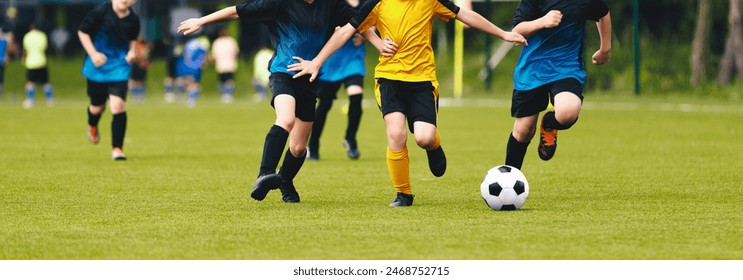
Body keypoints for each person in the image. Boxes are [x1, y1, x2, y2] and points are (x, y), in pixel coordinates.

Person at [288, 0, 527, 207]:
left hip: (422, 80)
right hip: (389, 79)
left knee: (424, 137)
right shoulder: (378, 3)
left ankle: (434, 147)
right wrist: (319, 61)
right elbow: (348, 28)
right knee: (396, 134)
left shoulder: (431, 1)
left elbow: (465, 15)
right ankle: (403, 193)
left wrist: (503, 34)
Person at [177, 0, 394, 203]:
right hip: (283, 72)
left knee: (299, 148)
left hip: (310, 77)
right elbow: (237, 11)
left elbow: (359, 22)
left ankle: (285, 181)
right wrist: (201, 21)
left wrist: (378, 44)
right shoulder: (280, 2)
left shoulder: (331, 4)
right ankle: (265, 174)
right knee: (286, 118)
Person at [503, 0, 611, 170]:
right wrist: (542, 21)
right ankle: (509, 177)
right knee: (524, 130)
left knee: (568, 112)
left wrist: (605, 48)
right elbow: (517, 29)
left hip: (566, 67)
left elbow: (602, 13)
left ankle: (550, 124)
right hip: (533, 69)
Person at [78, 0, 140, 160]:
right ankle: (92, 124)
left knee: (118, 105)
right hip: (97, 65)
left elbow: (133, 39)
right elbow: (82, 32)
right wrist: (93, 54)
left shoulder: (134, 20)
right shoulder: (101, 11)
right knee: (97, 107)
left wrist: (132, 52)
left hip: (119, 65)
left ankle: (117, 149)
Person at [307, 0, 368, 161]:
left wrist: (367, 35)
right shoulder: (332, 2)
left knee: (356, 96)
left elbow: (375, 19)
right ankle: (313, 146)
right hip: (332, 57)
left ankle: (350, 139)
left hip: (353, 58)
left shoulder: (365, 2)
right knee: (324, 105)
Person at [22, 22, 54, 108]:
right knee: (45, 82)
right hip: (42, 61)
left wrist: (24, 58)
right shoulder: (42, 35)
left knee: (30, 82)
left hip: (31, 62)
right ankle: (50, 100)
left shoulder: (27, 36)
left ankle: (30, 100)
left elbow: (25, 49)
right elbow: (44, 48)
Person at [175, 35, 209, 107]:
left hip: (186, 65)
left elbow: (181, 53)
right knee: (194, 82)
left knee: (188, 81)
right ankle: (192, 98)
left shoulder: (189, 43)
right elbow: (203, 55)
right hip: (196, 66)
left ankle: (190, 97)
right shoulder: (203, 43)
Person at [210, 27, 239, 103]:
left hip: (223, 64)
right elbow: (236, 52)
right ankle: (227, 95)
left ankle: (226, 94)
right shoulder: (230, 41)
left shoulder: (219, 42)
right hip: (227, 64)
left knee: (225, 80)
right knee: (227, 80)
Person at [129, 37, 151, 102]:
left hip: (142, 64)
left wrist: (146, 61)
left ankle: (141, 96)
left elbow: (147, 53)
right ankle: (135, 95)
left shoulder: (144, 43)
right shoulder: (132, 42)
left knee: (141, 81)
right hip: (134, 62)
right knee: (132, 80)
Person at [0, 23, 17, 97]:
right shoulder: (5, 39)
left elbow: (9, 48)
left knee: (1, 74)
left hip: (2, 59)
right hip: (3, 59)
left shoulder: (6, 39)